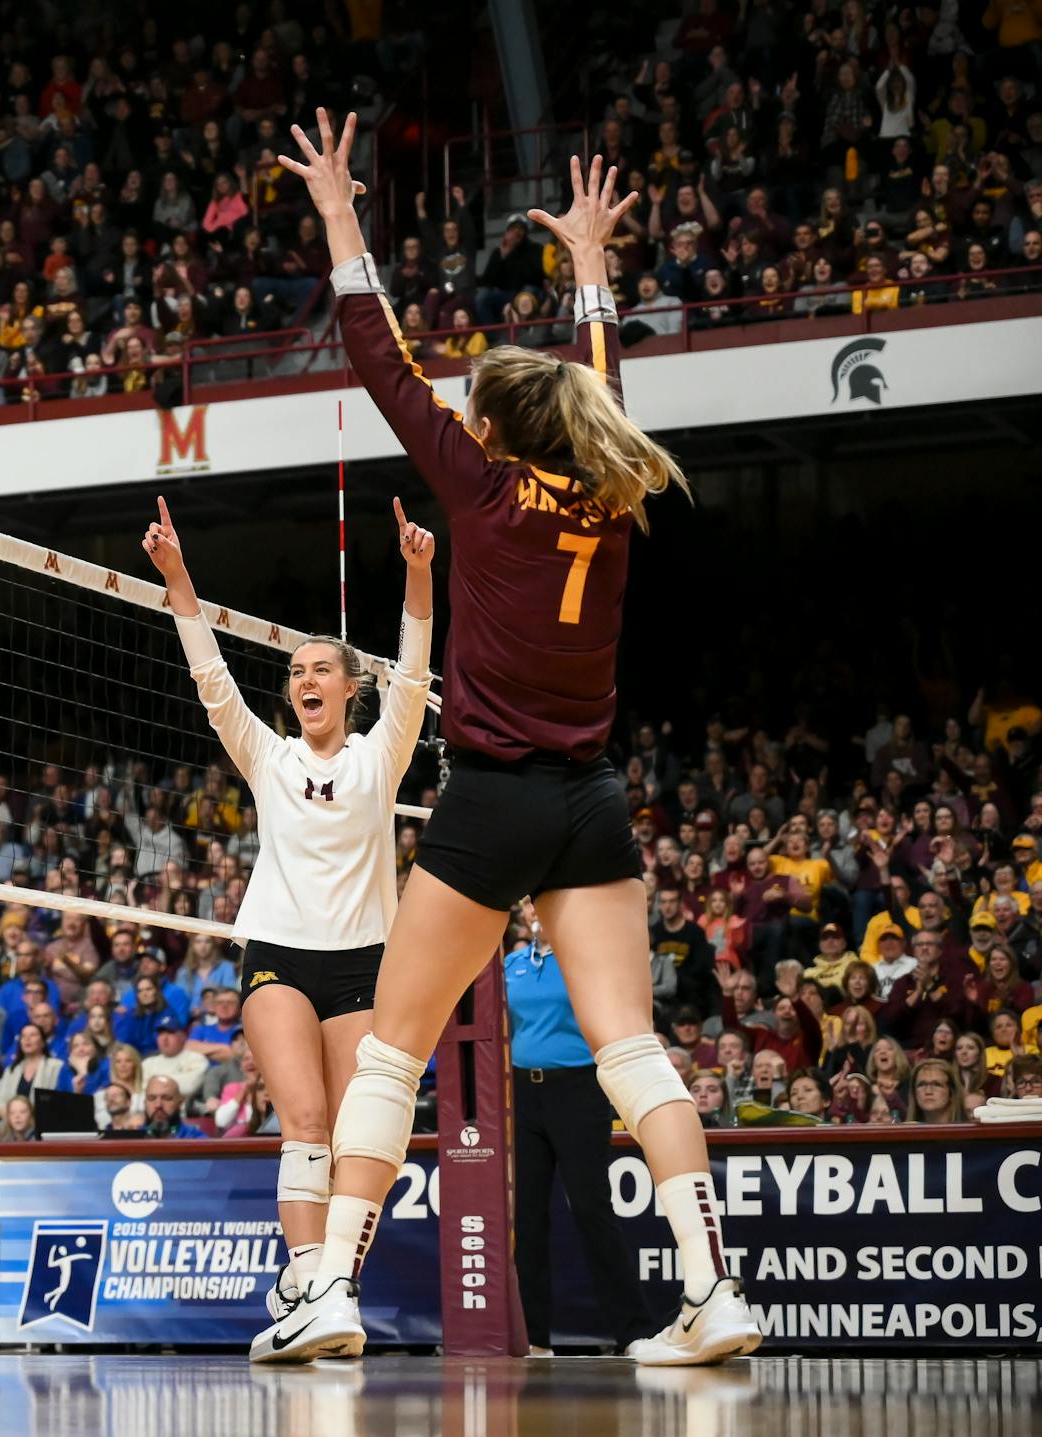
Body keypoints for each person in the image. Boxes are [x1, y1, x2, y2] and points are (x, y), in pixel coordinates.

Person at [277, 116, 759, 1366]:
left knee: (391, 1053)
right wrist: (593, 268)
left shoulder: (483, 490)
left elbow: (380, 359)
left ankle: (330, 1292)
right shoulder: (608, 489)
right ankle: (712, 1291)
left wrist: (340, 216)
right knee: (632, 1049)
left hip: (491, 801)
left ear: (493, 432)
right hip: (590, 800)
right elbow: (604, 392)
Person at [142, 486, 433, 1363]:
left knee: (354, 1133)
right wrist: (178, 575)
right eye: (297, 670)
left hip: (362, 961)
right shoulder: (266, 756)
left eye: (320, 669)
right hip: (277, 951)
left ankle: (325, 1286)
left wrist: (418, 574)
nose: (305, 679)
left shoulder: (381, 754)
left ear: (351, 687)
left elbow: (414, 668)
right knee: (304, 1117)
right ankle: (309, 1287)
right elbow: (211, 679)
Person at [504, 915, 660, 1355]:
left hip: (578, 1087)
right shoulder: (513, 963)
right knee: (526, 1217)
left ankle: (634, 1331)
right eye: (530, 904)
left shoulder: (584, 957)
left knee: (592, 1208)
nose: (537, 913)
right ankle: (533, 1338)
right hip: (522, 1092)